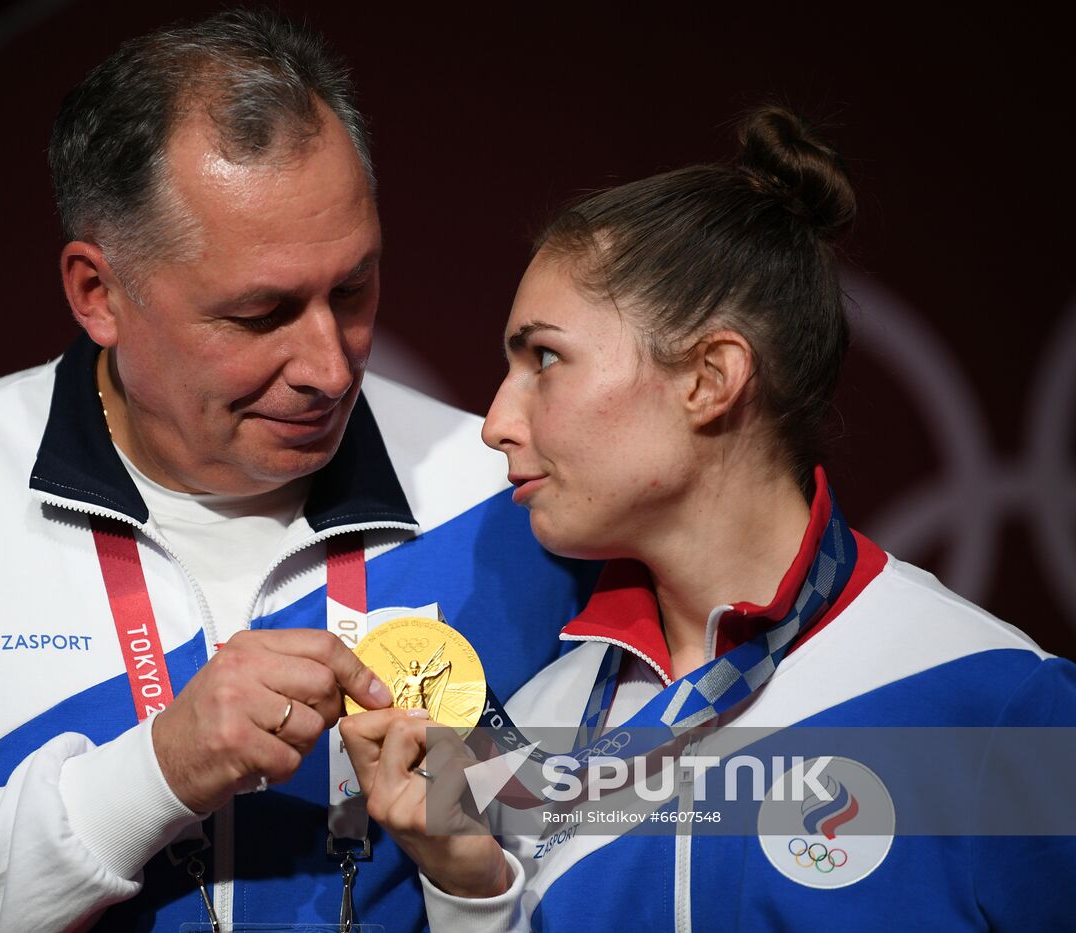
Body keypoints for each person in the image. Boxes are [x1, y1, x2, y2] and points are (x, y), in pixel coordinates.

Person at [0, 10, 599, 931]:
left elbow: (647, 861)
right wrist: (150, 777)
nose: (330, 367)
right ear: (98, 293)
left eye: (353, 289)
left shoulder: (497, 494)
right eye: (261, 313)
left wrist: (472, 867)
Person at [342, 105, 1076, 930]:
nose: (496, 422)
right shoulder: (538, 720)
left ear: (710, 378)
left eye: (544, 358)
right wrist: (469, 893)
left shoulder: (993, 700)